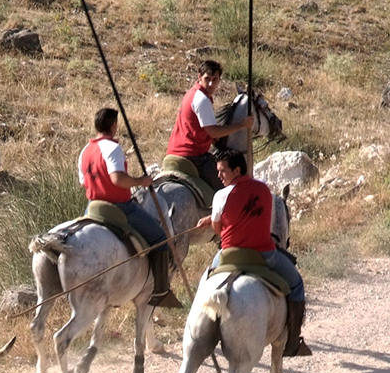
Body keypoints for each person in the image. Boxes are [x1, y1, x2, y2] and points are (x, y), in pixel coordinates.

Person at [196, 151, 311, 357]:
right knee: (296, 285)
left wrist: (214, 220)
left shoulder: (220, 196)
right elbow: (251, 217)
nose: (219, 176)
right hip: (264, 254)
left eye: (223, 171)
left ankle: (201, 333)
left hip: (228, 255)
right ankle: (292, 340)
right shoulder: (264, 189)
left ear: (237, 170)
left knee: (207, 281)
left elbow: (217, 228)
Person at [79, 107, 182, 308]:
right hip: (120, 207)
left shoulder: (85, 151)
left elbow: (84, 181)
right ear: (114, 126)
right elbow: (117, 179)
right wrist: (140, 181)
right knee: (160, 239)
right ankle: (159, 290)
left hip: (93, 207)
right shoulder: (112, 148)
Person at [166, 59, 254, 191]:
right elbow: (213, 131)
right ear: (199, 77)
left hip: (174, 151)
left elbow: (197, 127)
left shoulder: (192, 93)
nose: (211, 84)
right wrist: (241, 124)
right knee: (227, 187)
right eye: (207, 79)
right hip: (194, 156)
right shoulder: (202, 99)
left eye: (215, 79)